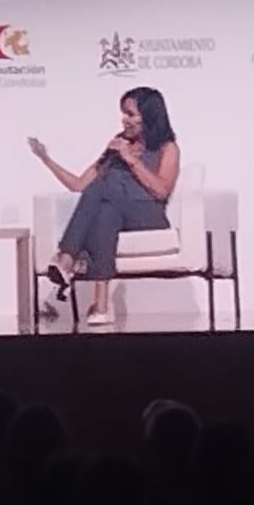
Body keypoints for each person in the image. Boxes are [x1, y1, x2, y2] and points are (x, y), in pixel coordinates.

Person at [27, 86, 180, 327]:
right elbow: (79, 185)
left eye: (131, 114)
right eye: (123, 114)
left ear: (148, 115)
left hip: (149, 214)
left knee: (103, 188)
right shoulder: (117, 146)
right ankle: (101, 305)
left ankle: (67, 257)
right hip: (118, 213)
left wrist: (131, 160)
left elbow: (161, 190)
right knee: (106, 210)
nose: (124, 120)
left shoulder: (166, 147)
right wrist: (46, 159)